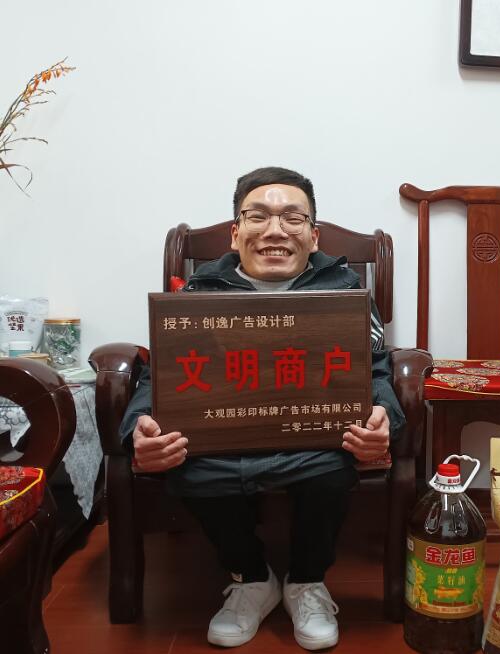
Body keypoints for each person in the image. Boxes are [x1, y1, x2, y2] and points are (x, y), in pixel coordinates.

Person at [119, 166, 405, 650]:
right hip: (221, 441)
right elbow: (158, 379)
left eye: (293, 218)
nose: (275, 230)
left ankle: (306, 580)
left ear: (313, 236)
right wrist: (138, 430)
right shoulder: (198, 293)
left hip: (312, 440)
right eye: (258, 216)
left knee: (332, 468)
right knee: (189, 470)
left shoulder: (345, 292)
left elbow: (377, 370)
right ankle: (251, 577)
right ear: (236, 234)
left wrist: (384, 421)